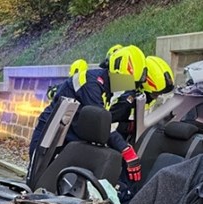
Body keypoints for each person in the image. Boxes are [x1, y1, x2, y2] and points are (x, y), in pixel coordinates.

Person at [29, 45, 147, 183]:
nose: (128, 86)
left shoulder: (108, 86)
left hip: (71, 132)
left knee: (58, 180)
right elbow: (99, 121)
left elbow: (107, 116)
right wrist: (125, 149)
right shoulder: (92, 83)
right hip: (51, 130)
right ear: (117, 73)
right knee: (37, 175)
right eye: (128, 81)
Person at [110, 55, 175, 142]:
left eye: (160, 93)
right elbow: (108, 122)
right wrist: (127, 126)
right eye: (156, 93)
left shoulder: (147, 96)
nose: (158, 96)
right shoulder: (127, 99)